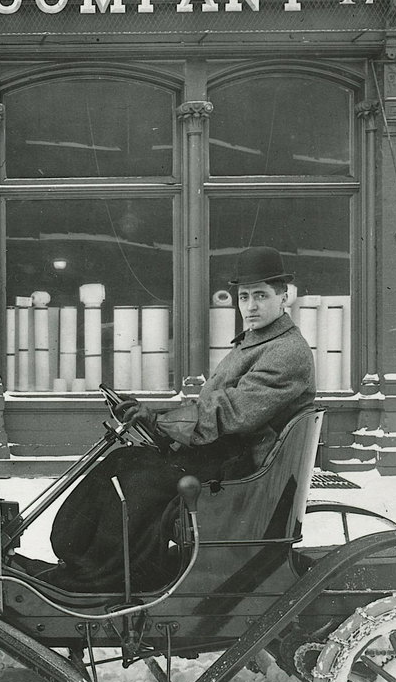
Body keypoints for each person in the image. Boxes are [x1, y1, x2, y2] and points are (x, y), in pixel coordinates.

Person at [38, 247, 317, 592]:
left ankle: (104, 576)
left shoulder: (287, 352)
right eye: (244, 297)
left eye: (261, 295)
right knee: (124, 460)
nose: (251, 306)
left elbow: (232, 412)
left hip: (238, 470)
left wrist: (160, 422)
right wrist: (158, 422)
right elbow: (217, 407)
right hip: (221, 455)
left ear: (284, 297)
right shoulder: (257, 342)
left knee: (136, 478)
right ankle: (93, 565)